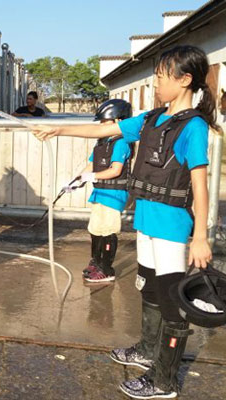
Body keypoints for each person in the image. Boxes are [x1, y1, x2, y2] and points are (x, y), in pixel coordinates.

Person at [30, 45, 217, 399]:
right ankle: (147, 351)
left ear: (185, 79)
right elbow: (105, 131)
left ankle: (164, 379)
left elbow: (199, 182)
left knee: (172, 301)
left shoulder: (192, 127)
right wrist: (57, 131)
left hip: (171, 227)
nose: (155, 82)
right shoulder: (151, 119)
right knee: (147, 289)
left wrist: (201, 237)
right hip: (146, 222)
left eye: (161, 76)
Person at [74, 99, 133, 283]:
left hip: (114, 194)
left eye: (104, 122)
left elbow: (115, 170)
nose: (101, 126)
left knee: (108, 229)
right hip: (100, 192)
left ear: (118, 121)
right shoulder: (101, 143)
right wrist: (77, 180)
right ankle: (96, 262)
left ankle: (107, 269)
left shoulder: (121, 142)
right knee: (95, 228)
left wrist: (94, 177)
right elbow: (91, 165)